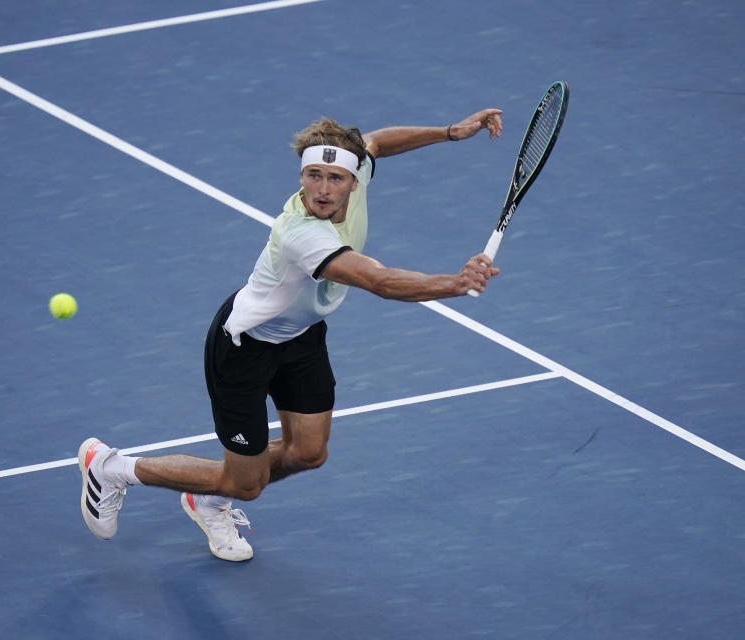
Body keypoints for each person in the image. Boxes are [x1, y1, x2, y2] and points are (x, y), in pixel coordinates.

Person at [78, 109, 504, 561]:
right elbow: (378, 281)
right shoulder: (302, 234)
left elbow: (377, 141)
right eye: (313, 176)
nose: (322, 189)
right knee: (246, 483)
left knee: (308, 452)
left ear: (355, 182)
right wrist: (453, 283)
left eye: (334, 178)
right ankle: (111, 467)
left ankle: (206, 498)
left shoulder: (357, 172)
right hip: (245, 348)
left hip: (300, 337)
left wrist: (449, 133)